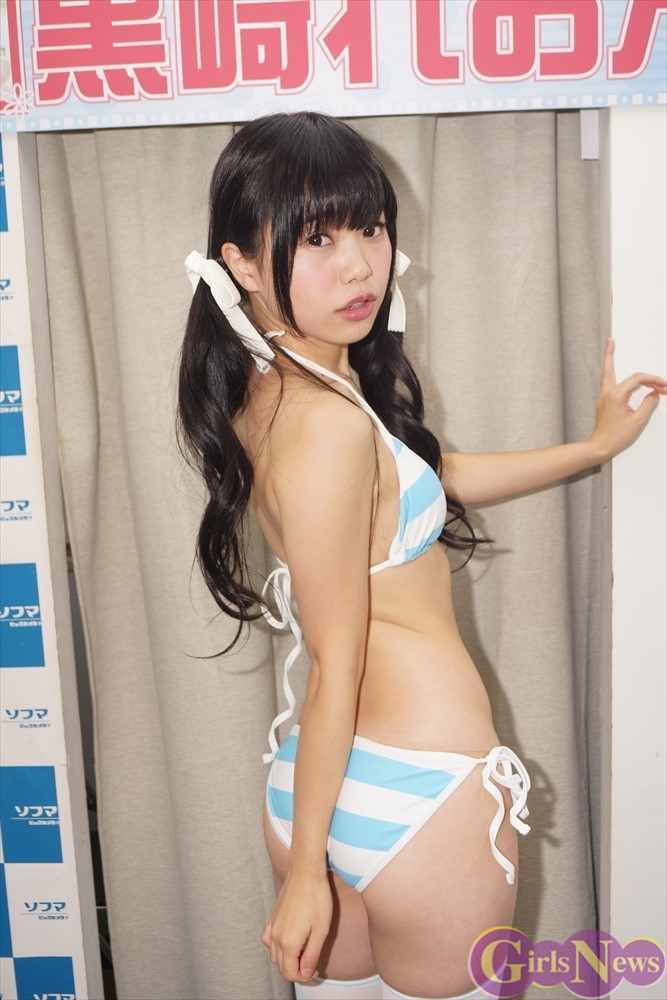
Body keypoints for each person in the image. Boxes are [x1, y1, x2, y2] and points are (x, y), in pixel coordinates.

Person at [178, 112, 665, 1000]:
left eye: (369, 228)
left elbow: (425, 477)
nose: (361, 266)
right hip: (420, 795)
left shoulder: (281, 388)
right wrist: (304, 878)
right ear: (241, 263)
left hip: (318, 785)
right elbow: (337, 662)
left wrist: (592, 448)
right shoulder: (326, 423)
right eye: (317, 238)